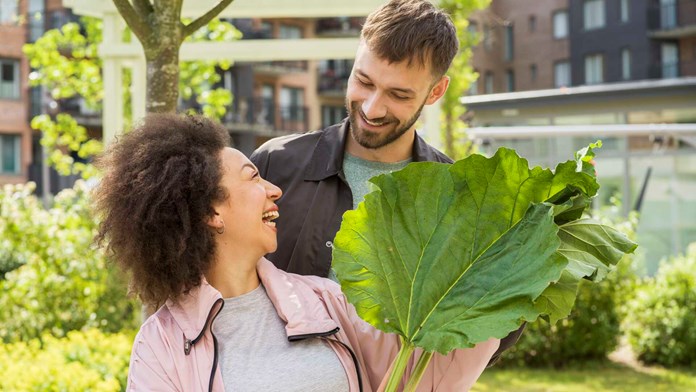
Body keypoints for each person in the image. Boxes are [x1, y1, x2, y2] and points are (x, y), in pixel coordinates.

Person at [93, 113, 499, 391]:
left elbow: (421, 376)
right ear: (211, 212)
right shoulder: (162, 344)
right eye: (253, 177)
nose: (274, 189)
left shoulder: (325, 300)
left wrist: (485, 274)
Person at [250, 0, 523, 362]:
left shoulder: (461, 198)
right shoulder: (275, 163)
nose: (372, 108)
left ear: (436, 92)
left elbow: (492, 328)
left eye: (398, 94)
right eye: (364, 81)